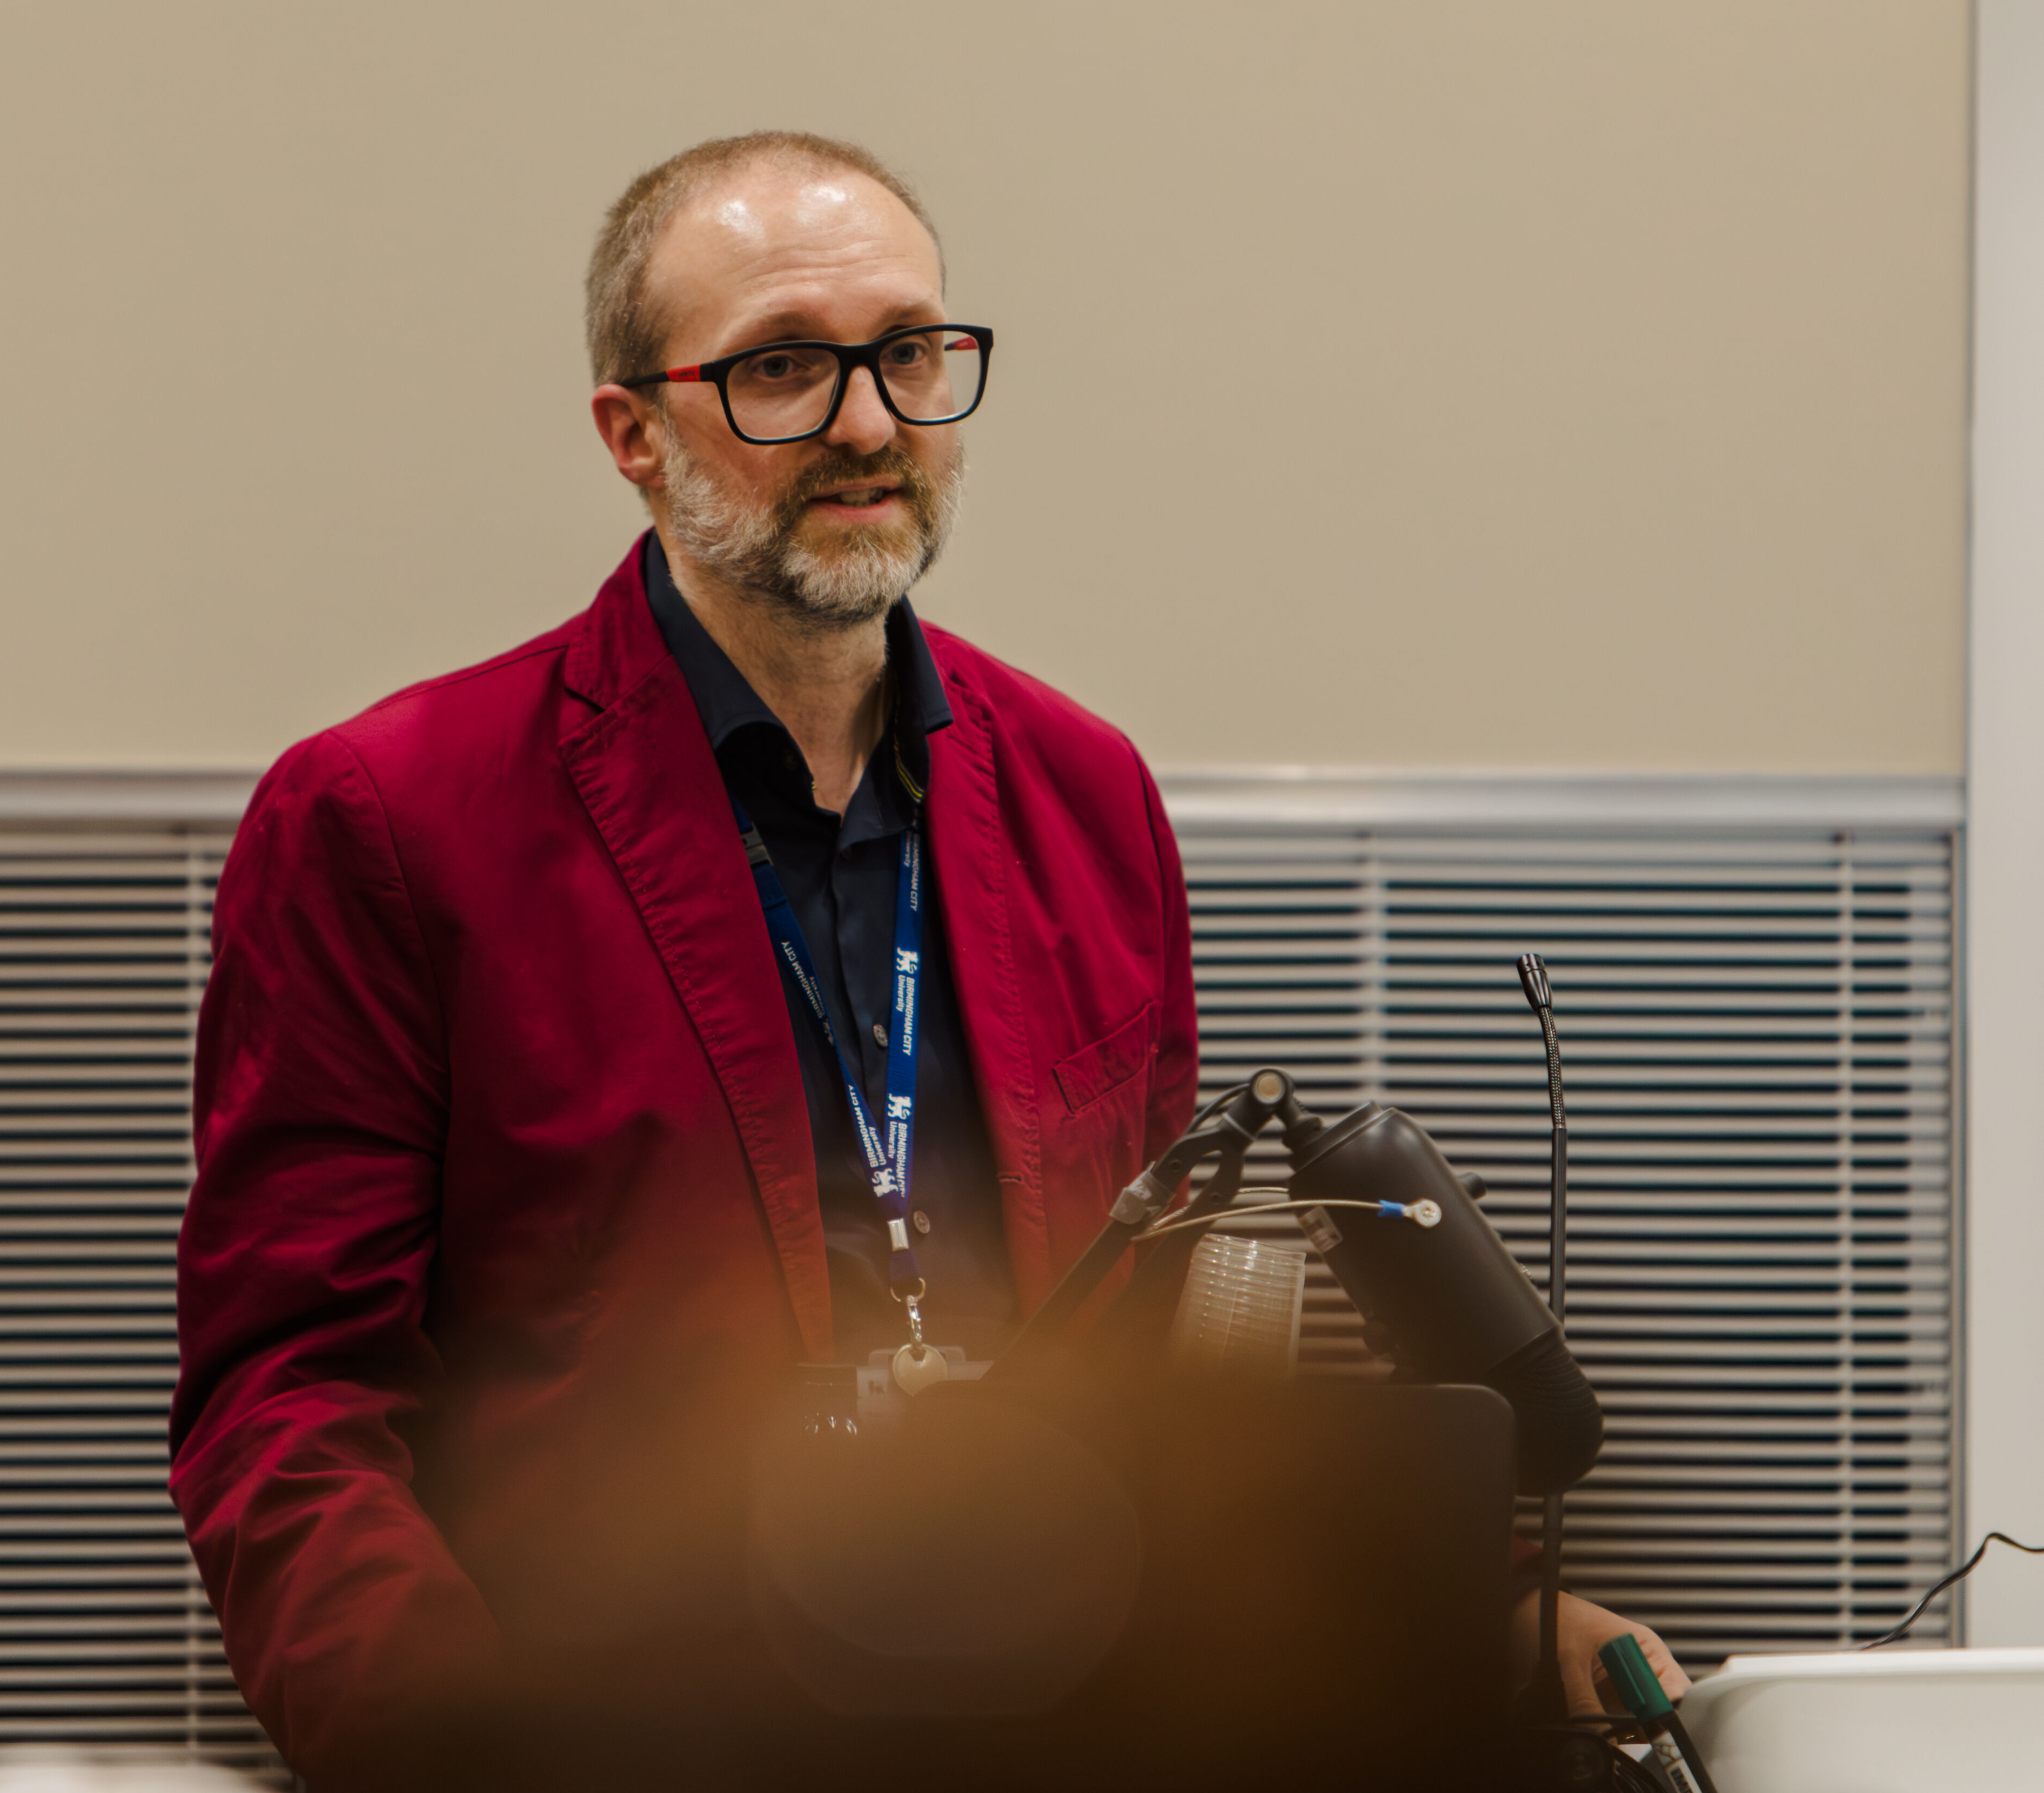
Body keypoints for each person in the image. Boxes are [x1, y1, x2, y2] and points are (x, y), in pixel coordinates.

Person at [169, 132, 1678, 1784]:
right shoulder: (389, 815)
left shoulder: (1086, 793)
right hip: (620, 1727)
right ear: (632, 433)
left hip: (1052, 1713)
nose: (869, 424)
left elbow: (1160, 1387)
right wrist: (454, 1746)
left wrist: (1472, 1610)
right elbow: (292, 1403)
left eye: (906, 352)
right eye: (782, 370)